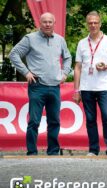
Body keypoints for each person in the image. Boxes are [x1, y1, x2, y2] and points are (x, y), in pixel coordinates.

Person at [9, 12, 72, 155]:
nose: (48, 24)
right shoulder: (30, 39)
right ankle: (32, 152)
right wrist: (26, 72)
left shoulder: (60, 40)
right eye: (45, 22)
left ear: (54, 23)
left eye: (50, 22)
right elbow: (13, 54)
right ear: (40, 23)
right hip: (37, 86)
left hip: (55, 86)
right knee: (34, 122)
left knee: (54, 121)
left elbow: (67, 57)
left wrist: (64, 73)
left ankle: (53, 152)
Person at [73, 11, 107, 156]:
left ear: (100, 24)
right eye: (90, 23)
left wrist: (106, 66)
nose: (93, 25)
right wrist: (76, 90)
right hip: (86, 87)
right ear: (87, 24)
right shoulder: (82, 43)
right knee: (90, 119)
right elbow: (77, 67)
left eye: (95, 22)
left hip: (104, 86)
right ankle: (93, 149)